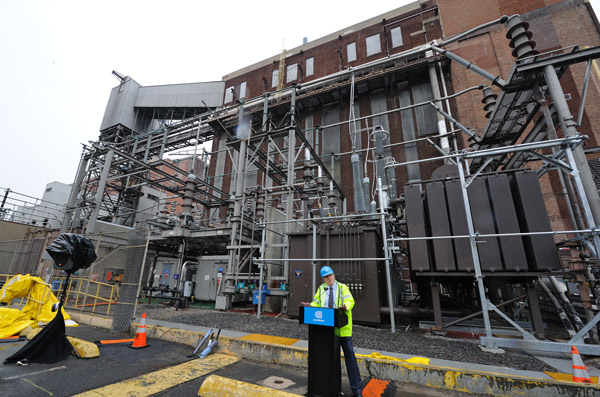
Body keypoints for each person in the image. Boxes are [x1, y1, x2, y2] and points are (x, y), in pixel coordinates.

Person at [301, 265, 362, 397]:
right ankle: (327, 388)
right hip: (327, 332)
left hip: (343, 330)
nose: (329, 278)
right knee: (327, 359)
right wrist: (310, 306)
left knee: (350, 358)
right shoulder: (321, 289)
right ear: (322, 279)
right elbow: (317, 302)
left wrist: (345, 306)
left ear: (334, 275)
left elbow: (350, 300)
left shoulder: (342, 287)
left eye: (331, 275)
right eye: (326, 277)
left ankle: (357, 391)